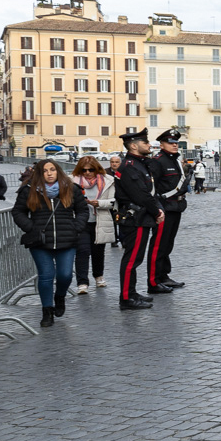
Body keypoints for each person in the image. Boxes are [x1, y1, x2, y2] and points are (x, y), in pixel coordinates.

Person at [11, 158, 90, 328]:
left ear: (58, 171)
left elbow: (83, 210)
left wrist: (76, 227)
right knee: (46, 276)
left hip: (67, 239)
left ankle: (60, 296)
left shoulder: (71, 189)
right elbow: (18, 212)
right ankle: (47, 311)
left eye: (52, 170)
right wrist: (31, 228)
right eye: (45, 171)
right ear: (40, 173)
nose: (49, 173)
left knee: (65, 275)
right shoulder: (29, 190)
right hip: (40, 241)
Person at [113, 128, 161, 310]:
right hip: (136, 218)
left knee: (135, 258)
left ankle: (131, 292)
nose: (149, 145)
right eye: (145, 142)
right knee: (131, 259)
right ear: (133, 146)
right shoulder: (130, 166)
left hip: (141, 217)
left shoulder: (139, 164)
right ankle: (126, 297)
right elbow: (141, 195)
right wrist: (157, 211)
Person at [149, 129, 189, 290]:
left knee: (168, 244)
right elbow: (152, 188)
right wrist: (157, 209)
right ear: (162, 144)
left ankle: (163, 275)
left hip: (176, 207)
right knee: (158, 244)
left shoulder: (175, 161)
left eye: (175, 143)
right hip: (163, 208)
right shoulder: (157, 161)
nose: (174, 145)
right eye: (170, 143)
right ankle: (154, 280)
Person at [71, 156, 115, 296]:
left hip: (100, 219)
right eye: (84, 170)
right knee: (82, 251)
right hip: (80, 221)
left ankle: (98, 276)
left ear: (97, 169)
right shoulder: (71, 181)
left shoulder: (108, 180)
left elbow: (114, 201)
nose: (88, 173)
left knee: (98, 252)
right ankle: (82, 283)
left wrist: (99, 203)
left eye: (91, 170)